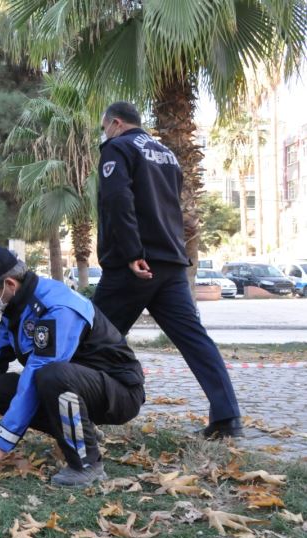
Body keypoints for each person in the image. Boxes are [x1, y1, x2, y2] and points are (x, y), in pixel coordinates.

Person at [93, 101, 242, 439]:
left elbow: (117, 200)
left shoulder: (117, 148)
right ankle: (227, 418)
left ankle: (76, 411)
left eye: (105, 128)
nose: (105, 134)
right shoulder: (166, 154)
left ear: (115, 123)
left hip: (134, 265)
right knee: (195, 340)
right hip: (171, 263)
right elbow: (170, 206)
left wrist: (131, 252)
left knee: (90, 335)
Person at [0, 247, 146, 487]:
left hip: (119, 392)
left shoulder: (56, 307)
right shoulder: (16, 308)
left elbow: (40, 370)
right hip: (78, 387)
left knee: (51, 375)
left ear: (10, 284)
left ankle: (87, 464)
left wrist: (1, 442)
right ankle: (83, 434)